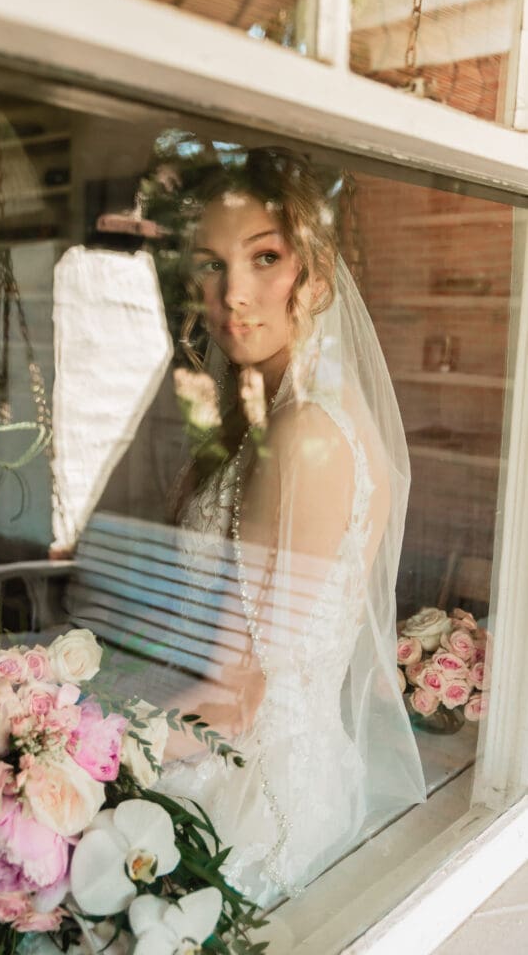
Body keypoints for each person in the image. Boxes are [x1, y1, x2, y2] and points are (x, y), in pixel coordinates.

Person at [150, 147, 427, 907]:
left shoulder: (302, 436)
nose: (233, 293)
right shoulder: (276, 419)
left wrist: (83, 741)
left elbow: (239, 697)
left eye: (264, 256)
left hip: (250, 795)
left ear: (316, 269)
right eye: (210, 264)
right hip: (271, 759)